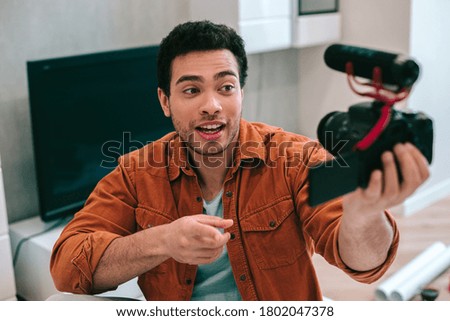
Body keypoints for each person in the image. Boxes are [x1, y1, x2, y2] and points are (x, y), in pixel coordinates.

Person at [50, 20, 429, 300]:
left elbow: (365, 264)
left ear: (241, 94)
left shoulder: (295, 158)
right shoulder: (136, 173)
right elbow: (68, 268)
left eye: (225, 87)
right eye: (191, 89)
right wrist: (163, 240)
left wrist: (364, 212)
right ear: (165, 101)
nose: (212, 105)